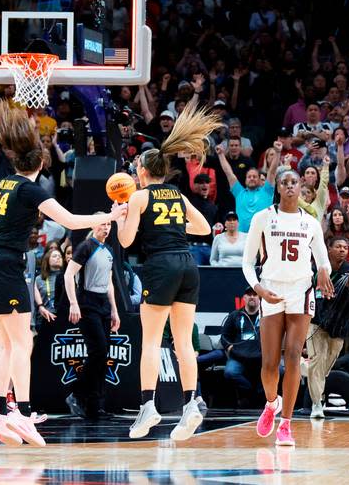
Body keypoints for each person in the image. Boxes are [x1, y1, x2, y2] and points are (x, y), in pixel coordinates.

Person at [0, 100, 122, 447]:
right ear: (42, 164)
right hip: (6, 265)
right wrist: (109, 216)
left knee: (5, 342)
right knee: (22, 342)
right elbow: (72, 222)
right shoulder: (30, 190)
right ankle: (25, 413)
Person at [116, 101, 219, 441]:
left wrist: (122, 216)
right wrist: (173, 229)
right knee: (183, 344)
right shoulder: (175, 193)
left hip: (160, 265)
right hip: (188, 263)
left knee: (150, 341)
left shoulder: (139, 197)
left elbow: (127, 240)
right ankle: (191, 404)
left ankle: (149, 406)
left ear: (143, 172)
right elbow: (204, 228)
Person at [241, 168, 333, 446]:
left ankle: (286, 425)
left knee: (293, 356)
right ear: (278, 188)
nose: (290, 186)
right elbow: (247, 263)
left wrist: (324, 272)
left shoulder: (311, 223)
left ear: (301, 186)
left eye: (295, 182)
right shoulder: (263, 218)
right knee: (270, 364)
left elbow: (323, 260)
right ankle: (271, 403)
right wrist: (258, 289)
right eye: (285, 182)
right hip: (271, 289)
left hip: (301, 291)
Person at [63, 219, 121, 420]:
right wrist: (73, 303)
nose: (106, 228)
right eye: (102, 224)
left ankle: (94, 407)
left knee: (103, 356)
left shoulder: (109, 249)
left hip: (104, 304)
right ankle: (76, 394)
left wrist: (114, 310)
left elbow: (110, 282)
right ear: (93, 226)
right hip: (87, 303)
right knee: (98, 351)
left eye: (109, 225)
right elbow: (69, 275)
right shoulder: (86, 246)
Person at [307, 236, 349, 419]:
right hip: (316, 322)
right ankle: (317, 404)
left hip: (339, 325)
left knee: (326, 364)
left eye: (345, 247)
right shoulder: (317, 269)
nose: (342, 249)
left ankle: (315, 383)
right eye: (338, 246)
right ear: (329, 249)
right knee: (318, 360)